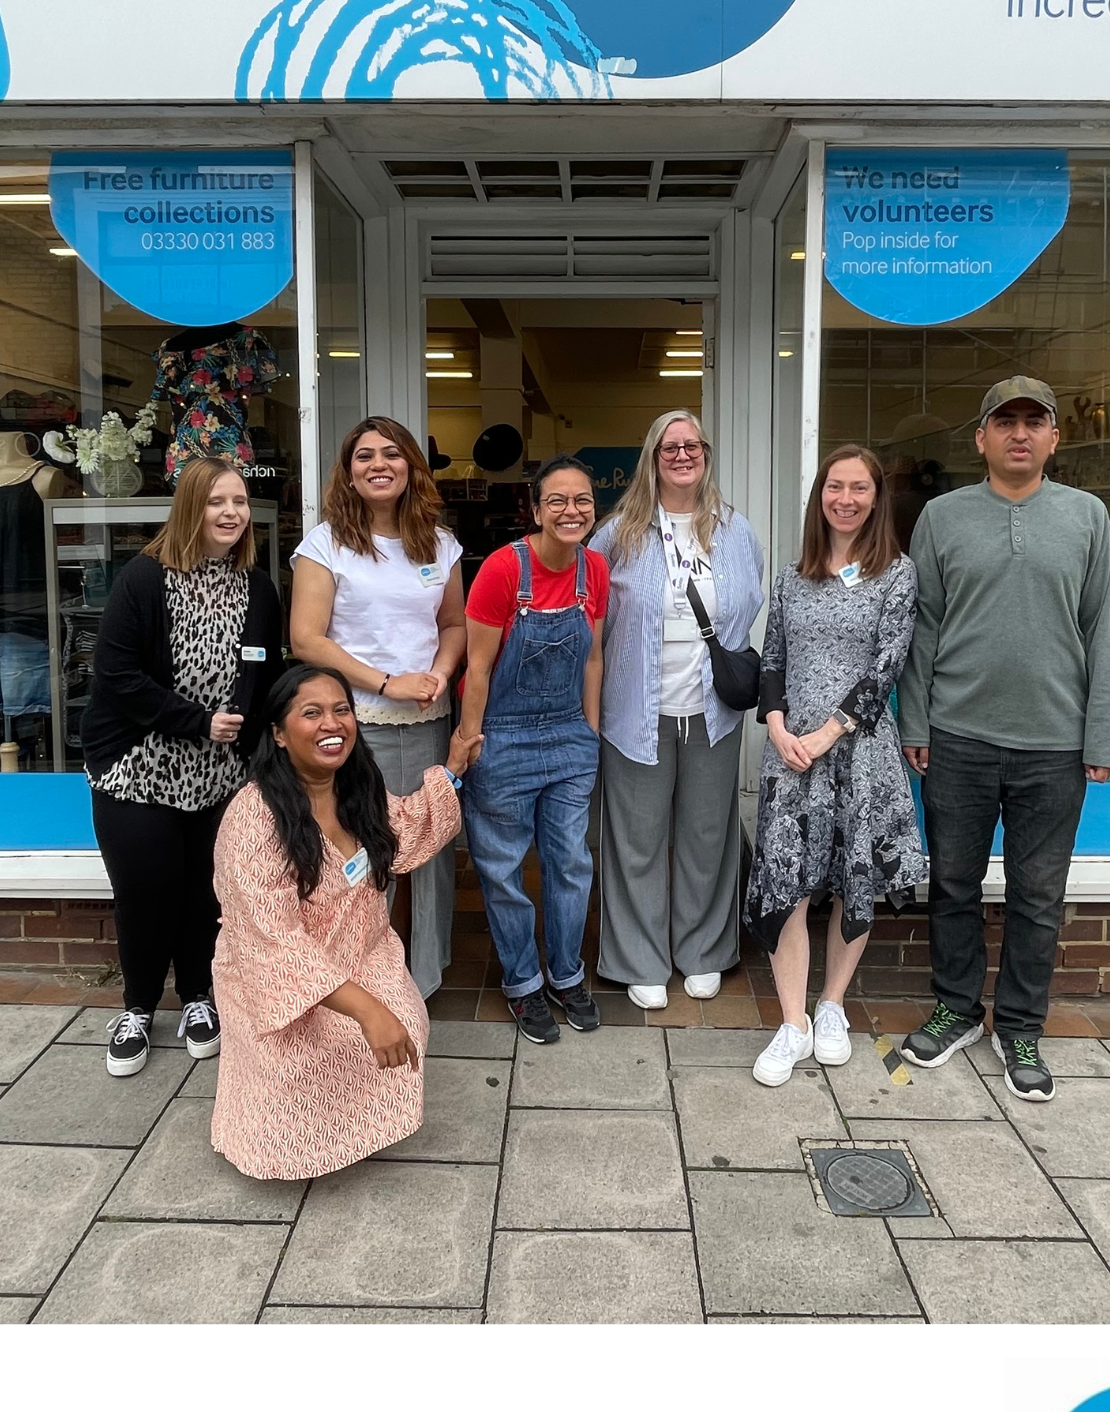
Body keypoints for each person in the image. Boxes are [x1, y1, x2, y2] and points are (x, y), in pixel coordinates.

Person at [898, 375, 1110, 1104]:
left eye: (1034, 422)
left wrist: (1103, 736)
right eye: (1005, 422)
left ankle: (1020, 1025)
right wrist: (916, 721)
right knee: (953, 884)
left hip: (1055, 745)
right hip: (959, 737)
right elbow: (922, 629)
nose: (1019, 433)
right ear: (982, 438)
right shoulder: (941, 516)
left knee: (1037, 894)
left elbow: (1104, 631)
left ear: (1056, 437)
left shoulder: (1087, 518)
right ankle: (956, 1009)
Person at [208, 665, 479, 1180]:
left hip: (360, 955)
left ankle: (363, 1127)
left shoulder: (356, 787)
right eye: (311, 713)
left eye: (341, 710)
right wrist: (367, 1010)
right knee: (317, 1056)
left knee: (405, 1018)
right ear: (279, 734)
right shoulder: (254, 818)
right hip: (277, 981)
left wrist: (451, 770)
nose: (333, 724)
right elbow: (275, 943)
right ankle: (288, 1142)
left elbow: (407, 829)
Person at [82, 459, 280, 1078]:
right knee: (145, 891)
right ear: (189, 508)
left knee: (206, 893)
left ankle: (199, 997)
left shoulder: (258, 586)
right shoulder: (144, 579)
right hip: (138, 766)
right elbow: (115, 677)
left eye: (240, 502)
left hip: (221, 774)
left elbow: (267, 672)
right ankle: (138, 1007)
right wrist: (196, 721)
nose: (230, 513)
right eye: (216, 501)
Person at [744, 446, 927, 1087]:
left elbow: (886, 668)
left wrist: (827, 733)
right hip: (789, 751)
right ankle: (791, 1022)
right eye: (834, 486)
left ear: (877, 498)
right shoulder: (794, 576)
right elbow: (772, 659)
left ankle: (831, 1006)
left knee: (854, 879)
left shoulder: (896, 575)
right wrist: (777, 727)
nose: (844, 498)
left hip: (860, 751)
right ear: (820, 494)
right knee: (787, 880)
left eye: (859, 488)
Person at [591, 408, 765, 1010]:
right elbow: (595, 622)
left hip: (714, 711)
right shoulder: (618, 534)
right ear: (653, 457)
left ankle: (704, 950)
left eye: (693, 445)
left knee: (707, 834)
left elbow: (750, 604)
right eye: (670, 447)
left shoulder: (736, 531)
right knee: (636, 838)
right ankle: (639, 957)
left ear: (706, 454)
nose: (683, 455)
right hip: (637, 710)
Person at [290, 415, 468, 1000]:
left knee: (434, 845)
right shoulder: (325, 544)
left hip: (429, 721)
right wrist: (387, 682)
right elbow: (307, 639)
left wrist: (439, 673)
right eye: (363, 456)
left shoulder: (440, 544)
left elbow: (453, 623)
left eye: (390, 454)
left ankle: (425, 976)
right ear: (348, 473)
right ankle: (365, 978)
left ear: (412, 466)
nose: (377, 465)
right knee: (366, 847)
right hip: (357, 725)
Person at [455, 454, 610, 1045]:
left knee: (570, 862)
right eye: (559, 501)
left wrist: (589, 731)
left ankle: (566, 975)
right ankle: (522, 982)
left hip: (570, 734)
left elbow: (592, 656)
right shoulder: (501, 570)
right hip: (504, 736)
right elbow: (479, 665)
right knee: (501, 869)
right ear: (538, 509)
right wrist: (471, 742)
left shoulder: (594, 569)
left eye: (583, 501)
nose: (572, 511)